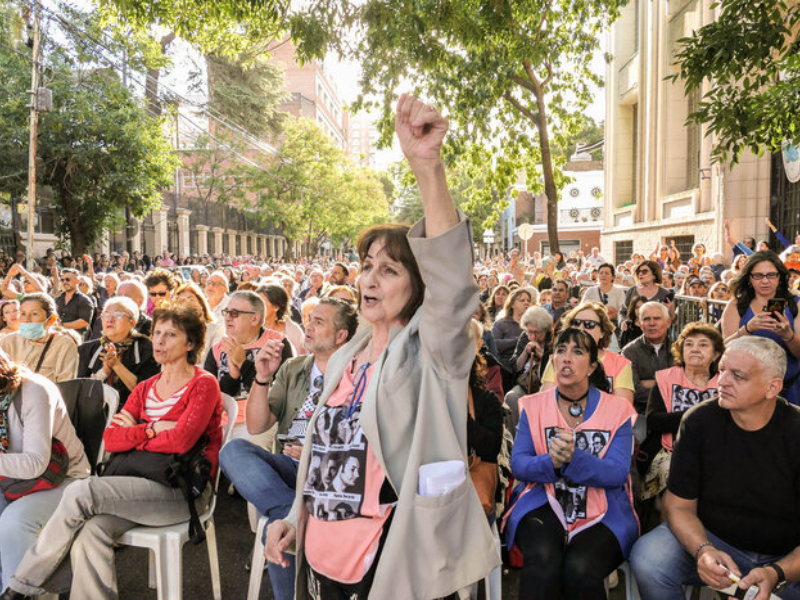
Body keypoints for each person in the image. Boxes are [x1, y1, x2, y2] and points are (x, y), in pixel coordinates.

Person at [265, 94, 499, 599]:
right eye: (367, 265)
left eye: (389, 269)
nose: (369, 279)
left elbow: (453, 284)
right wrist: (293, 517)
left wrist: (427, 166)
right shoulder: (347, 355)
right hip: (323, 555)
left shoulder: (432, 350)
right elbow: (322, 456)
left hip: (391, 558)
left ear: (419, 286)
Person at [2, 301, 221, 598]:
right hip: (136, 486)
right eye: (157, 333)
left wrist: (135, 432)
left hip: (182, 489)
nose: (159, 341)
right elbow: (112, 439)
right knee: (90, 532)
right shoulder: (146, 387)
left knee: (82, 491)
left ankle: (20, 586)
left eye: (171, 335)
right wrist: (153, 428)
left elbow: (181, 441)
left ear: (191, 343)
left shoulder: (203, 384)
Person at [631, 337, 800, 599]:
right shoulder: (699, 420)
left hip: (787, 557)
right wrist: (704, 550)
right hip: (714, 541)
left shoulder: (795, 430)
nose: (722, 381)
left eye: (738, 376)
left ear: (772, 387)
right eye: (721, 370)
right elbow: (678, 506)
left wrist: (777, 572)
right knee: (650, 558)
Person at [219, 298, 358, 600]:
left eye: (319, 322)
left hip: (326, 474)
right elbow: (256, 425)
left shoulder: (357, 375)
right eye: (309, 319)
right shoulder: (294, 367)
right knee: (233, 451)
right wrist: (262, 377)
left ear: (341, 335)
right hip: (289, 467)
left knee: (275, 526)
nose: (309, 326)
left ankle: (288, 519)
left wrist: (313, 450)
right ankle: (291, 513)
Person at [505, 328, 638, 600]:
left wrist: (574, 459)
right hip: (543, 501)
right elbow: (519, 464)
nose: (566, 358)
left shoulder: (618, 410)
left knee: (579, 568)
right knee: (542, 560)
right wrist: (551, 463)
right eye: (560, 351)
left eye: (577, 352)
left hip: (605, 508)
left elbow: (617, 472)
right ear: (552, 361)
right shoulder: (532, 405)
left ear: (591, 367)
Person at [0, 350, 90, 591]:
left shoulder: (34, 390)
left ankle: (17, 592)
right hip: (13, 480)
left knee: (13, 523)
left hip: (65, 479)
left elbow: (36, 462)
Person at [639, 323, 723, 504]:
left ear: (716, 354)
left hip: (714, 453)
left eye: (703, 345)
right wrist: (700, 415)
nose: (695, 349)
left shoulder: (723, 383)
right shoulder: (666, 378)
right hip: (669, 451)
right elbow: (654, 421)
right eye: (689, 344)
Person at [204, 290, 292, 441]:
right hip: (222, 424)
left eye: (234, 313)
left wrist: (243, 363)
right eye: (226, 312)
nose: (227, 318)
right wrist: (233, 376)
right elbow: (213, 398)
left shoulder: (277, 344)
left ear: (254, 319)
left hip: (262, 424)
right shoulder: (217, 350)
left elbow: (277, 395)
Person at [721, 251, 800, 405]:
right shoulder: (737, 306)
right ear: (749, 278)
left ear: (779, 277)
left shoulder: (795, 304)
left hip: (791, 388)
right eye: (758, 276)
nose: (765, 281)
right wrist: (747, 329)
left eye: (771, 275)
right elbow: (725, 350)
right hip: (746, 390)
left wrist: (788, 335)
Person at [541, 301, 635, 403]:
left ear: (602, 332)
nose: (581, 328)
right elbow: (545, 402)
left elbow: (623, 407)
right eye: (576, 323)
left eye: (590, 324)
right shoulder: (556, 360)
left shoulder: (619, 364)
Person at [77, 297, 160, 408]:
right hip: (94, 412)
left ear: (132, 322)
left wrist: (116, 365)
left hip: (132, 412)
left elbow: (146, 392)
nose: (110, 320)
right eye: (106, 315)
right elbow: (79, 391)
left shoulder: (148, 349)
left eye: (118, 315)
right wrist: (104, 373)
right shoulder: (86, 349)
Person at [622, 301, 675, 440]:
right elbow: (633, 390)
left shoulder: (678, 350)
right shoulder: (629, 352)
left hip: (672, 415)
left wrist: (651, 383)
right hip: (641, 416)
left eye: (657, 318)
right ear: (640, 324)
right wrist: (666, 388)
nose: (652, 323)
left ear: (668, 323)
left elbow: (684, 385)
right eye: (646, 319)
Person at [0, 294, 79, 383]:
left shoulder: (63, 345)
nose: (27, 320)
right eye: (23, 314)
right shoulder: (9, 341)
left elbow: (67, 384)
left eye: (34, 314)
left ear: (51, 319)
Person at [504, 307, 553, 434]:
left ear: (545, 330)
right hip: (525, 382)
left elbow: (554, 365)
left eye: (536, 333)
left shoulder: (553, 340)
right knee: (511, 397)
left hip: (545, 384)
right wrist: (525, 352)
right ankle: (513, 439)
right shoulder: (525, 337)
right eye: (529, 331)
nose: (532, 336)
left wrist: (541, 353)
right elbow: (515, 367)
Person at [175, 282, 222, 363]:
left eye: (191, 299)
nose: (187, 304)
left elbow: (215, 361)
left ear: (200, 302)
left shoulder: (216, 330)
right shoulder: (173, 330)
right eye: (182, 301)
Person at [491, 288, 533, 371]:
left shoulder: (532, 325)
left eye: (528, 300)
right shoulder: (501, 323)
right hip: (505, 368)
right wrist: (518, 340)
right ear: (512, 305)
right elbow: (494, 344)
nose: (526, 303)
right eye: (522, 300)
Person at [259, 284, 306, 356]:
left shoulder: (293, 331)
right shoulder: (249, 328)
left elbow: (302, 358)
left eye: (261, 303)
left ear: (276, 307)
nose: (256, 307)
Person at [55, 268, 94, 340]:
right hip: (59, 338)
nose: (65, 282)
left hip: (76, 340)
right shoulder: (57, 300)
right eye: (62, 280)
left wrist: (62, 325)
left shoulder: (84, 300)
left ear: (77, 281)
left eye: (68, 279)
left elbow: (84, 322)